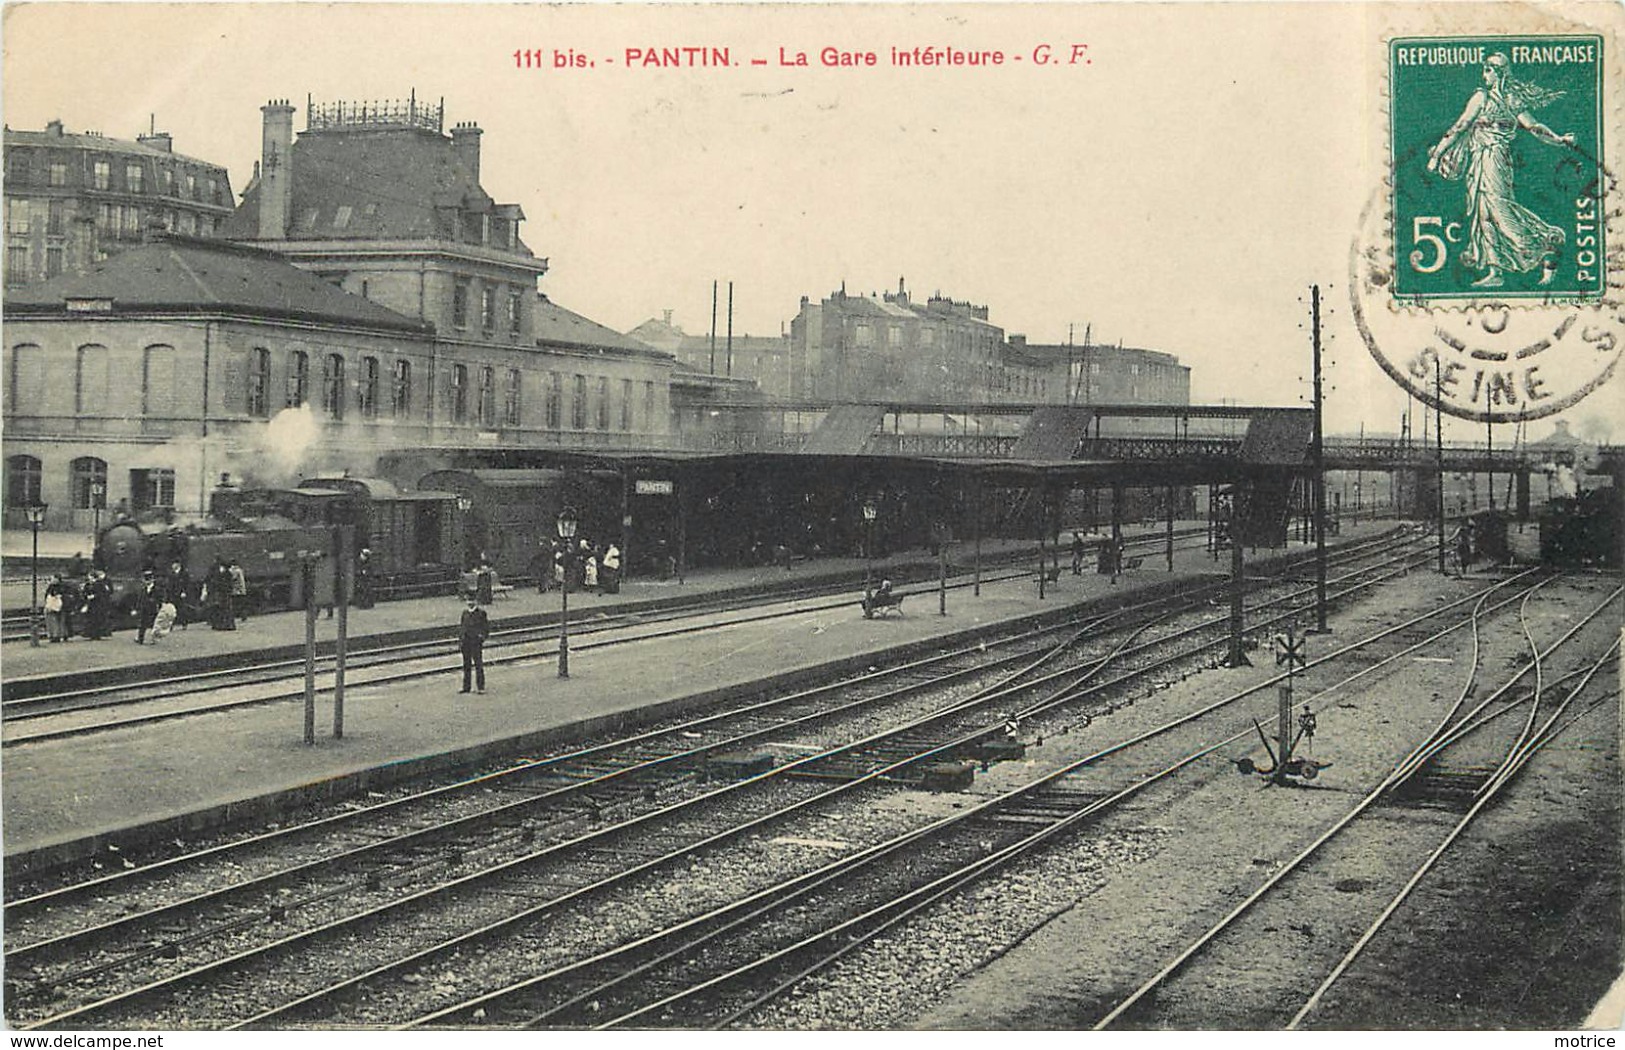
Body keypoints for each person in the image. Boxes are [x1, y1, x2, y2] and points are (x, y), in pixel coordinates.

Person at [1427, 53, 1576, 288]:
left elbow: (1534, 127)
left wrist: (1559, 139)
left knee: (1499, 208)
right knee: (1483, 213)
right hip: (1479, 160)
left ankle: (1547, 243)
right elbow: (1460, 126)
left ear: (1500, 73)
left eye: (1488, 70)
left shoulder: (1508, 99)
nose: (1484, 75)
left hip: (1496, 159)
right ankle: (1495, 271)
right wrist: (1438, 153)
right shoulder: (1481, 97)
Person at [458, 598, 489, 694]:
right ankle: (466, 687)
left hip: (475, 642)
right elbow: (462, 627)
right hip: (466, 642)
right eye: (468, 601)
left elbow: (486, 628)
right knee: (466, 665)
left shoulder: (481, 613)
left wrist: (481, 637)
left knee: (478, 664)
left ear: (476, 602)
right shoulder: (465, 613)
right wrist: (461, 641)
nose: (470, 603)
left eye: (472, 601)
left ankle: (480, 687)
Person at [80, 570, 112, 640]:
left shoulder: (100, 584)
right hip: (90, 604)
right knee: (90, 619)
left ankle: (97, 634)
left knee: (97, 619)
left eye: (91, 577)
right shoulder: (88, 585)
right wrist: (86, 596)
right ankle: (91, 634)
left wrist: (95, 596)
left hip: (97, 604)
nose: (90, 579)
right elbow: (84, 593)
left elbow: (103, 594)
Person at [134, 570, 161, 644]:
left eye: (148, 580)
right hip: (144, 609)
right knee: (142, 624)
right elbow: (140, 599)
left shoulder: (157, 589)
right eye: (145, 580)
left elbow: (159, 598)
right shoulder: (143, 589)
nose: (146, 582)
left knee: (154, 625)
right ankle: (140, 639)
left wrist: (155, 603)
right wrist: (137, 608)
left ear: (152, 580)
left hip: (153, 609)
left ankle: (154, 639)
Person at [43, 575, 68, 642]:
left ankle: (58, 635)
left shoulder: (60, 587)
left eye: (53, 578)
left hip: (59, 605)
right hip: (53, 605)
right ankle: (56, 635)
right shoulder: (51, 586)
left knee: (59, 621)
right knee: (54, 621)